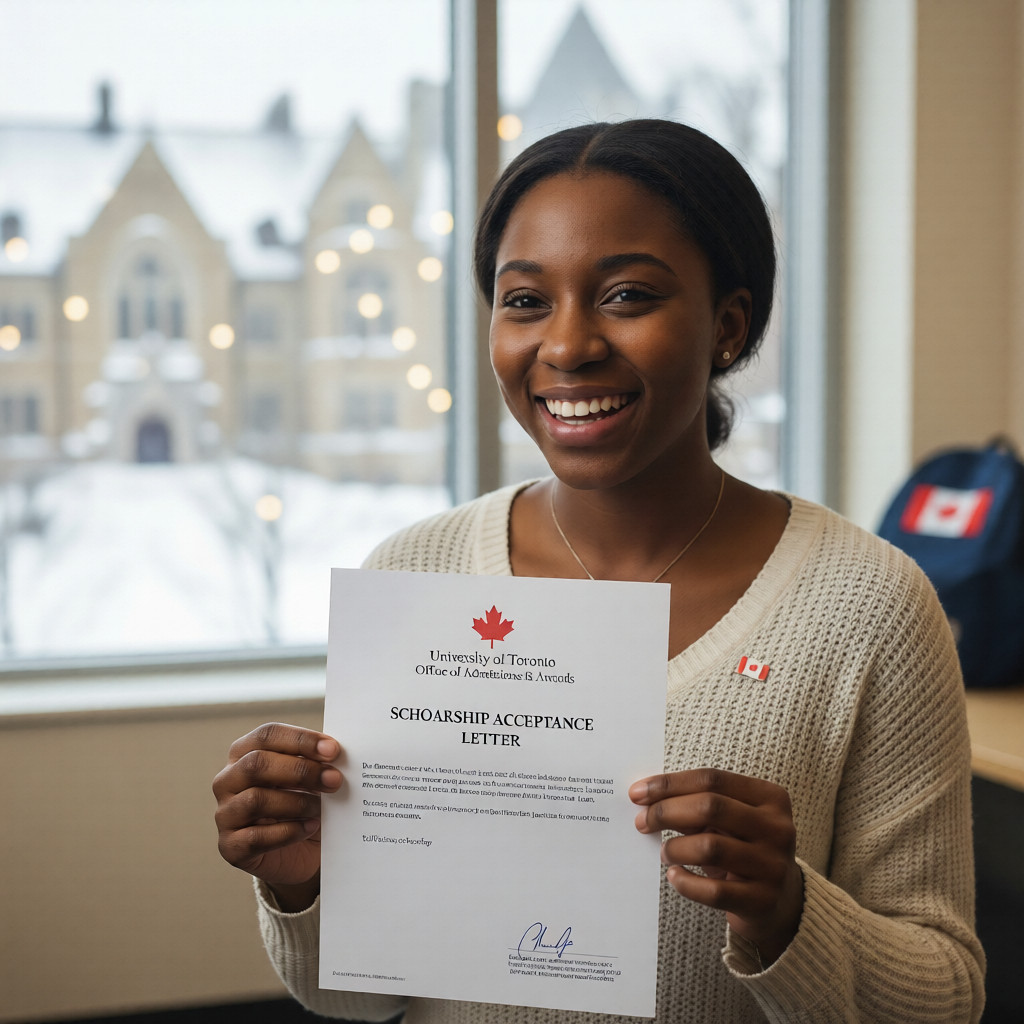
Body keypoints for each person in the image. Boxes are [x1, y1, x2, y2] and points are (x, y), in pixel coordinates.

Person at [213, 119, 985, 1022]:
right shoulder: (416, 578)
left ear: (728, 326)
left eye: (626, 296)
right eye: (525, 300)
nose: (568, 345)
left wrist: (786, 912)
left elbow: (948, 997)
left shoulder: (869, 605)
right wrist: (304, 885)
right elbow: (358, 1000)